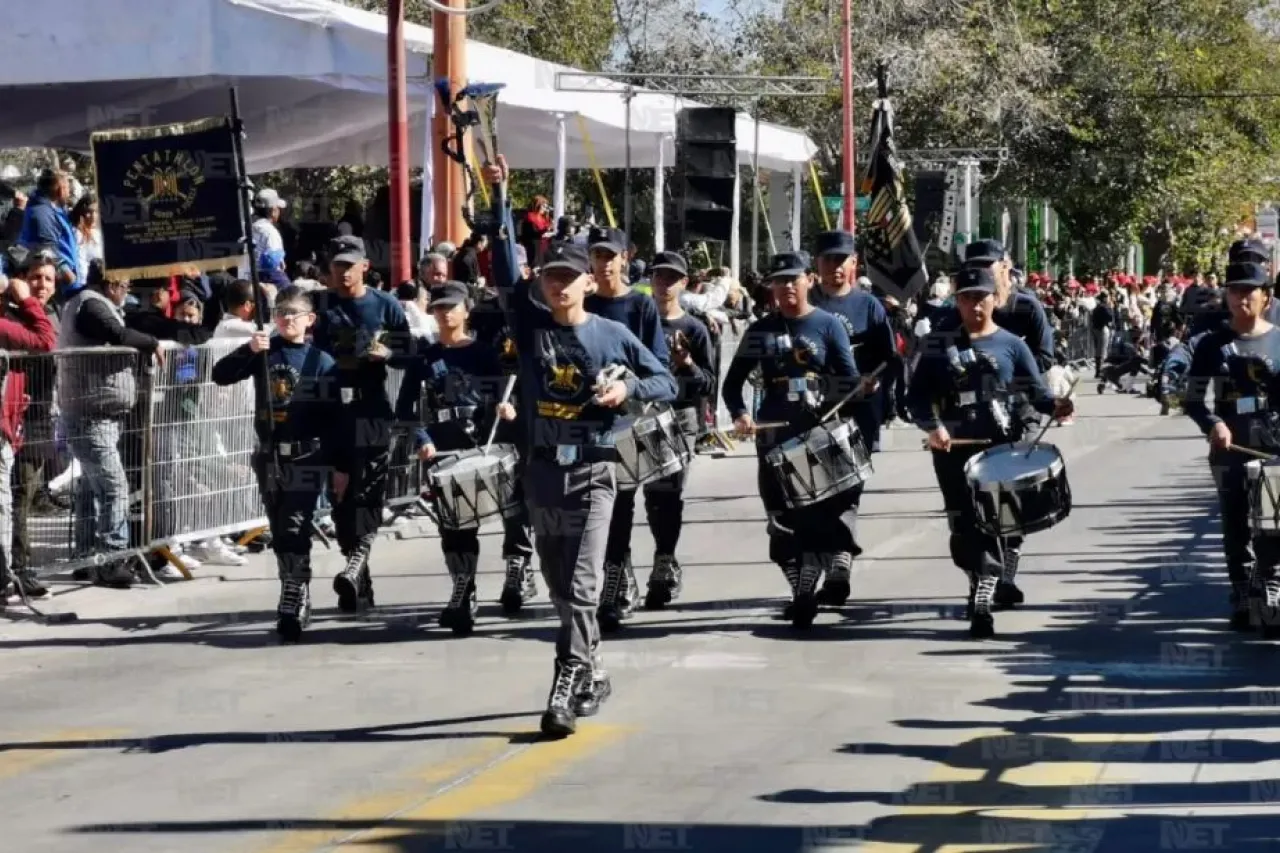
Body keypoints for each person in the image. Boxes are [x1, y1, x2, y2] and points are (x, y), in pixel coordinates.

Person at [483, 155, 676, 738]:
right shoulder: (530, 324)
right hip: (542, 472)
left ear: (588, 282)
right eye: (551, 277)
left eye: (569, 277)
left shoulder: (613, 332)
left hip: (594, 472)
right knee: (560, 583)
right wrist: (500, 195)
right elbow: (498, 259)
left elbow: (666, 381)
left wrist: (627, 388)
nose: (559, 285)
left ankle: (566, 679)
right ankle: (592, 669)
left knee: (585, 583)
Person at [907, 266, 1072, 638]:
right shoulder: (938, 343)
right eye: (965, 298)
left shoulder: (1013, 344)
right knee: (963, 523)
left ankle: (984, 590)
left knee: (998, 521)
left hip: (1000, 452)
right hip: (953, 450)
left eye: (980, 298)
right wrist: (933, 427)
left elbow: (1036, 394)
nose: (974, 305)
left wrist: (1057, 405)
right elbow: (914, 397)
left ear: (994, 300)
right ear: (957, 302)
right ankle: (978, 579)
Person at [721, 251, 860, 628]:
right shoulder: (760, 330)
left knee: (823, 511)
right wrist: (741, 414)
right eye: (778, 281)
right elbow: (732, 385)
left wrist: (842, 394)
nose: (785, 288)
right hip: (775, 431)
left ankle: (816, 580)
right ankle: (800, 587)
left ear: (809, 280)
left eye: (792, 279)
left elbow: (849, 380)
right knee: (781, 515)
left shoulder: (829, 325)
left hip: (820, 429)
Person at [212, 287, 341, 641]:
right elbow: (220, 374)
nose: (286, 319)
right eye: (281, 313)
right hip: (269, 453)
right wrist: (249, 349)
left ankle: (293, 593)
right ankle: (295, 586)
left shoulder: (322, 362)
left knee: (296, 525)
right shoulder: (266, 352)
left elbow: (335, 418)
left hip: (307, 455)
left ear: (309, 320)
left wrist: (338, 463)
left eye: (294, 313)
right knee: (281, 528)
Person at [394, 281, 516, 634]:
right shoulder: (424, 358)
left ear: (466, 311)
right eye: (438, 307)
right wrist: (421, 438)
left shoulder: (482, 354)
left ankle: (483, 585)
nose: (445, 313)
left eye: (452, 307)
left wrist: (507, 410)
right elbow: (404, 409)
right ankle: (463, 590)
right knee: (452, 528)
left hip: (476, 446)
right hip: (441, 449)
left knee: (474, 523)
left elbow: (502, 397)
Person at [311, 235, 413, 614]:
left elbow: (409, 354)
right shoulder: (321, 306)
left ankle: (355, 568)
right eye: (336, 265)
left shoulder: (385, 305)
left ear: (365, 266)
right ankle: (360, 576)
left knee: (367, 495)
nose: (341, 272)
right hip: (333, 412)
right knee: (341, 498)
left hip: (372, 411)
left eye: (348, 266)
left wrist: (389, 352)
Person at [580, 225, 669, 632]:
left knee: (624, 503)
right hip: (586, 422)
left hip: (629, 418)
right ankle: (614, 580)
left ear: (625, 258)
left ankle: (616, 585)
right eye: (596, 256)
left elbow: (658, 368)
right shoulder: (583, 303)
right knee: (602, 509)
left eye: (609, 256)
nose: (603, 264)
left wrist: (627, 386)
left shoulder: (640, 307)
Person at [1184, 262, 1280, 634]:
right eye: (1234, 290)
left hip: (1272, 446)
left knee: (1271, 522)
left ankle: (1269, 589)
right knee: (1236, 520)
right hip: (1231, 447)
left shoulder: (1278, 340)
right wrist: (1214, 424)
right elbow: (1193, 399)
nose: (1241, 297)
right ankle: (1241, 592)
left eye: (1249, 290)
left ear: (1265, 297)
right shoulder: (1212, 344)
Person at [808, 230, 895, 606]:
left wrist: (875, 384)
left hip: (859, 409)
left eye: (842, 260)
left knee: (847, 485)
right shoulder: (804, 301)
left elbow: (889, 358)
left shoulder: (869, 306)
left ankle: (839, 558)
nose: (835, 267)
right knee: (813, 487)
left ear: (854, 264)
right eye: (828, 260)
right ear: (817, 265)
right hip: (812, 409)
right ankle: (817, 559)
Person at [643, 251, 716, 607]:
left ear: (684, 283)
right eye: (659, 276)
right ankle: (618, 570)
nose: (664, 283)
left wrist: (686, 365)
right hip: (641, 416)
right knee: (626, 498)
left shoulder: (695, 329)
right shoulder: (639, 323)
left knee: (665, 497)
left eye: (672, 278)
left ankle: (663, 561)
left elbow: (708, 383)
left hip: (680, 419)